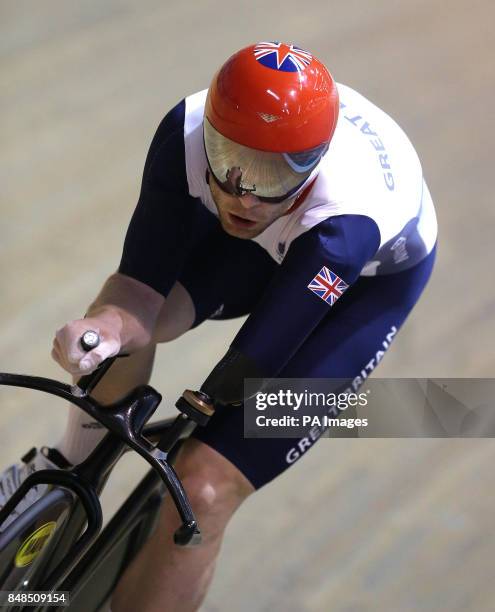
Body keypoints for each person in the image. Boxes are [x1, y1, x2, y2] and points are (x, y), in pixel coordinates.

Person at [0, 41, 437, 611]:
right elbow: (137, 290)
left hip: (364, 285)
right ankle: (64, 465)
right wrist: (103, 332)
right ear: (207, 127)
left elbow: (253, 364)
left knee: (203, 485)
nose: (239, 192)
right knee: (135, 326)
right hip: (277, 233)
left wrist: (205, 414)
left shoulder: (342, 230)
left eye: (266, 173)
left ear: (315, 164)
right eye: (228, 158)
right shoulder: (184, 134)